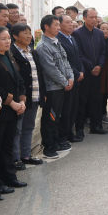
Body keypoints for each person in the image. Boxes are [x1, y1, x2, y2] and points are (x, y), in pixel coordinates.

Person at [0, 27, 27, 195]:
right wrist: (12, 102)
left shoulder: (9, 56)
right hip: (1, 109)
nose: (7, 41)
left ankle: (10, 176)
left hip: (15, 108)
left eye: (8, 38)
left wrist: (22, 99)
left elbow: (19, 79)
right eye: (3, 39)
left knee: (8, 145)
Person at [33, 15, 74, 160]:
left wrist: (71, 78)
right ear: (46, 27)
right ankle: (49, 147)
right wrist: (65, 82)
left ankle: (56, 142)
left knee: (59, 116)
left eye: (58, 25)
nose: (58, 27)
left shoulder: (57, 43)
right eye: (56, 25)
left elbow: (66, 62)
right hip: (53, 88)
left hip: (63, 86)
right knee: (51, 118)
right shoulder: (43, 46)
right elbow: (50, 69)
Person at [9, 24, 43, 167]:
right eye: (25, 33)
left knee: (29, 126)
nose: (29, 36)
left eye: (30, 33)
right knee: (17, 129)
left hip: (35, 94)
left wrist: (43, 94)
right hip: (21, 97)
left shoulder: (32, 52)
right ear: (15, 36)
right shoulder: (12, 53)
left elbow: (39, 74)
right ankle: (16, 158)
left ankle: (26, 155)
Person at [73, 8, 107, 136]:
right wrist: (91, 67)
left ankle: (96, 126)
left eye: (95, 17)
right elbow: (79, 54)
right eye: (91, 17)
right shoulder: (77, 34)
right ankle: (80, 129)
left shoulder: (99, 33)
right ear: (84, 18)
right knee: (82, 102)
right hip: (85, 73)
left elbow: (103, 52)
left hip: (98, 73)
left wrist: (99, 65)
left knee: (97, 100)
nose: (94, 20)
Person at [57, 15, 83, 148]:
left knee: (73, 108)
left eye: (72, 23)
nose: (71, 25)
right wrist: (76, 73)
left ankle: (70, 133)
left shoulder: (72, 38)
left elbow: (78, 57)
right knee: (66, 110)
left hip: (77, 78)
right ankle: (62, 136)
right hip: (67, 79)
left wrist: (81, 71)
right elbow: (65, 60)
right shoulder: (59, 39)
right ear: (60, 25)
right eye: (67, 22)